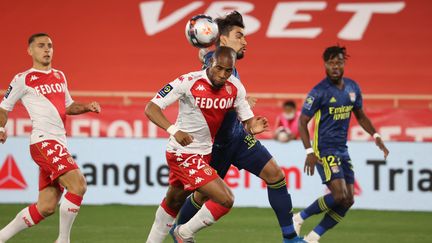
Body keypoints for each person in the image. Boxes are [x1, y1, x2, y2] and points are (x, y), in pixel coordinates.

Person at [146, 11, 304, 243]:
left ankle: (290, 238)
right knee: (197, 196)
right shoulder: (211, 68)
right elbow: (206, 78)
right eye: (239, 36)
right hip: (213, 145)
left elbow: (235, 100)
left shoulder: (232, 74)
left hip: (238, 138)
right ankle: (180, 231)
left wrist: (250, 121)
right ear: (222, 39)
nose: (245, 41)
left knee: (275, 175)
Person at [145, 46, 269, 243]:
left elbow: (247, 120)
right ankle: (183, 233)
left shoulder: (235, 87)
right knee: (226, 199)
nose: (222, 75)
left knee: (174, 201)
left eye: (227, 71)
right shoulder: (188, 81)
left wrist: (253, 127)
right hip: (182, 153)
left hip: (204, 154)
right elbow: (151, 108)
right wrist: (174, 131)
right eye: (218, 68)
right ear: (210, 63)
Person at [0, 33, 101, 243]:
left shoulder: (59, 76)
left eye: (50, 46)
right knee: (78, 185)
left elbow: (68, 106)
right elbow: (3, 107)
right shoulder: (23, 79)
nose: (47, 49)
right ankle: (63, 240)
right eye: (41, 46)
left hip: (59, 143)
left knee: (46, 207)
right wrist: (1, 128)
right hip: (43, 141)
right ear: (30, 51)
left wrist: (86, 107)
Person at [293, 45, 389, 243]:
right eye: (331, 63)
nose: (335, 67)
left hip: (342, 150)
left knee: (348, 200)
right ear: (325, 65)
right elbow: (302, 121)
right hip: (324, 149)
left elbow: (361, 116)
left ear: (344, 64)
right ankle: (299, 218)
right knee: (338, 195)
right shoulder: (319, 92)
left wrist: (376, 135)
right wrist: (309, 151)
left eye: (339, 62)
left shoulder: (353, 88)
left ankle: (313, 237)